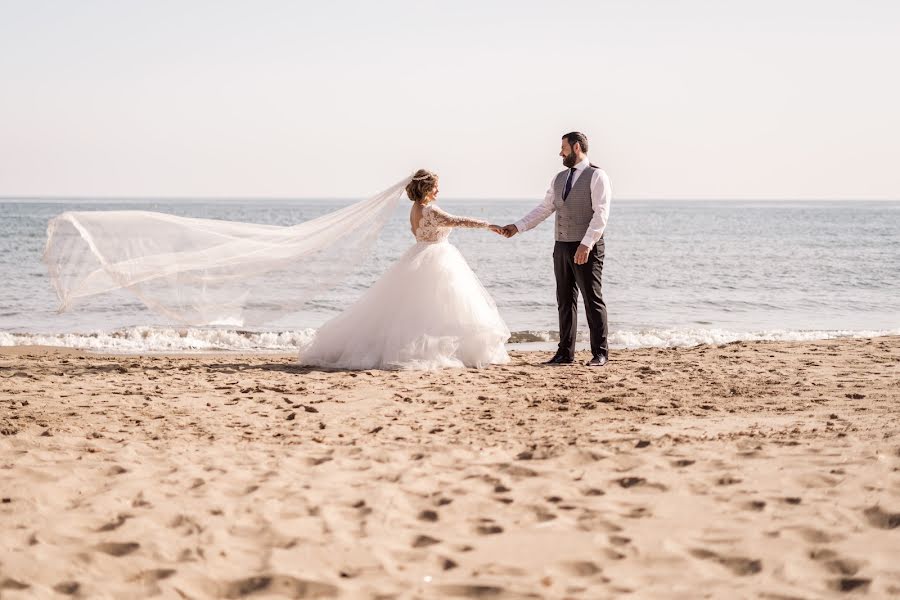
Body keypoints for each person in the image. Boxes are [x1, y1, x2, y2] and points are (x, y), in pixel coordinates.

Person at [299, 169, 510, 370]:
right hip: (438, 258)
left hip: (419, 255)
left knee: (420, 308)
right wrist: (488, 225)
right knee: (440, 307)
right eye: (436, 187)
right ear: (426, 188)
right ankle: (442, 351)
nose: (438, 191)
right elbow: (458, 221)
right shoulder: (430, 210)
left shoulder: (415, 210)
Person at [501, 132, 611, 367]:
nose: (560, 153)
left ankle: (600, 353)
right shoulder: (559, 178)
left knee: (592, 299)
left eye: (564, 148)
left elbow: (601, 214)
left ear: (577, 147)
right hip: (561, 245)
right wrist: (517, 227)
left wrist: (586, 244)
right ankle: (565, 353)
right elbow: (544, 208)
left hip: (587, 246)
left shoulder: (597, 176)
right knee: (564, 299)